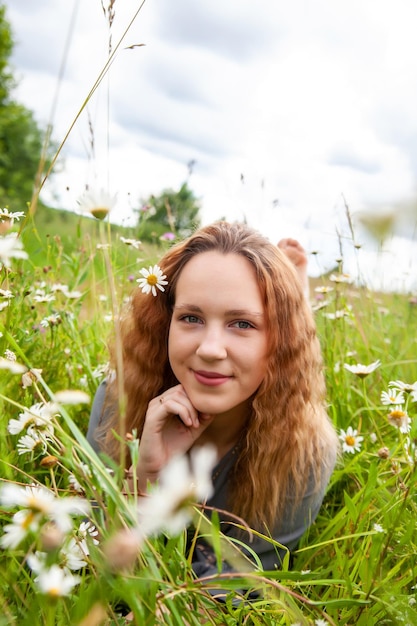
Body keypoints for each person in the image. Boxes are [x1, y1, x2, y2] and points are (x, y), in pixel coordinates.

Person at [87, 221, 338, 579]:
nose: (209, 350)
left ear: (279, 342)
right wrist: (145, 478)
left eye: (242, 324)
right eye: (191, 317)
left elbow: (244, 585)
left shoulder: (303, 448)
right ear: (165, 322)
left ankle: (294, 300)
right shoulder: (119, 399)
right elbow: (86, 552)